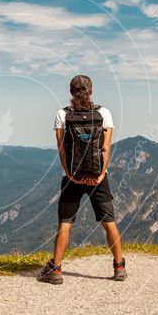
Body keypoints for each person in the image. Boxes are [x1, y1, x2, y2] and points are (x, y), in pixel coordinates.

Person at [38, 75, 127, 284]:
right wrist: (101, 173)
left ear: (71, 92)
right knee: (109, 222)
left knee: (66, 223)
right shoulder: (103, 113)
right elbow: (106, 147)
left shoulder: (62, 115)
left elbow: (62, 149)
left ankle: (57, 270)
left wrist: (70, 174)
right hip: (99, 177)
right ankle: (119, 267)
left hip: (72, 178)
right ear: (91, 91)